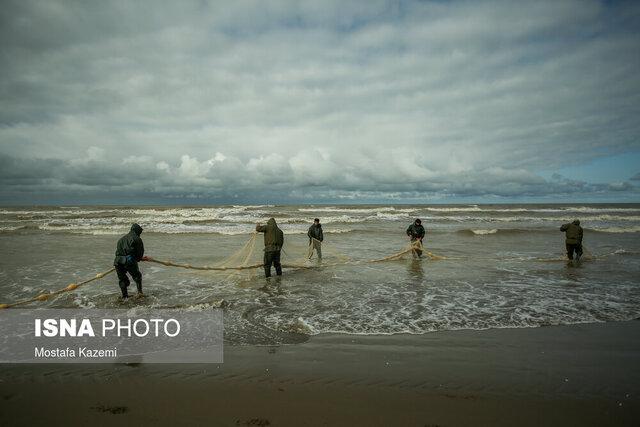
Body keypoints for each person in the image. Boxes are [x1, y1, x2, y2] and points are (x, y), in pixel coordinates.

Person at [113, 223, 149, 299]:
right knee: (137, 276)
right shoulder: (137, 239)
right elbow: (139, 253)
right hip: (129, 260)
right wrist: (140, 258)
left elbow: (118, 252)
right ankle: (140, 293)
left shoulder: (121, 239)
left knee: (122, 280)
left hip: (117, 261)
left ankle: (124, 296)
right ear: (137, 231)